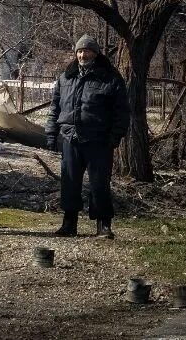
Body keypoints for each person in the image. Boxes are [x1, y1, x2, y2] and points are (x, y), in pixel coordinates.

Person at [45, 35, 130, 239]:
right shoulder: (66, 77)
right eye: (80, 51)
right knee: (70, 182)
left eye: (88, 51)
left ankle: (103, 225)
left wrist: (115, 136)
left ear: (96, 53)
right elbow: (54, 107)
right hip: (70, 138)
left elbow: (121, 111)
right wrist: (50, 133)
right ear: (76, 54)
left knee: (100, 183)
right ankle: (69, 223)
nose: (83, 55)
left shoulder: (110, 78)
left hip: (99, 140)